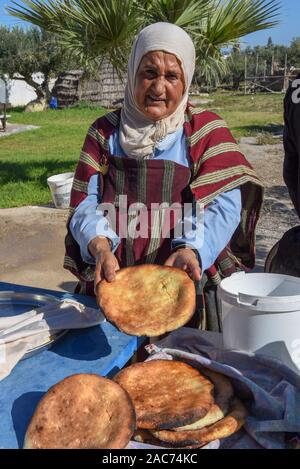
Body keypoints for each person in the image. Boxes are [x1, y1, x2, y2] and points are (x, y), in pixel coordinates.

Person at [64, 22, 263, 332]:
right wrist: (100, 246)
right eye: (149, 73)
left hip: (183, 283)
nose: (159, 88)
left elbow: (225, 206)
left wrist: (191, 249)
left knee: (179, 374)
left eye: (172, 76)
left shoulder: (204, 131)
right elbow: (83, 203)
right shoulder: (105, 132)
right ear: (133, 74)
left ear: (186, 80)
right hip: (116, 282)